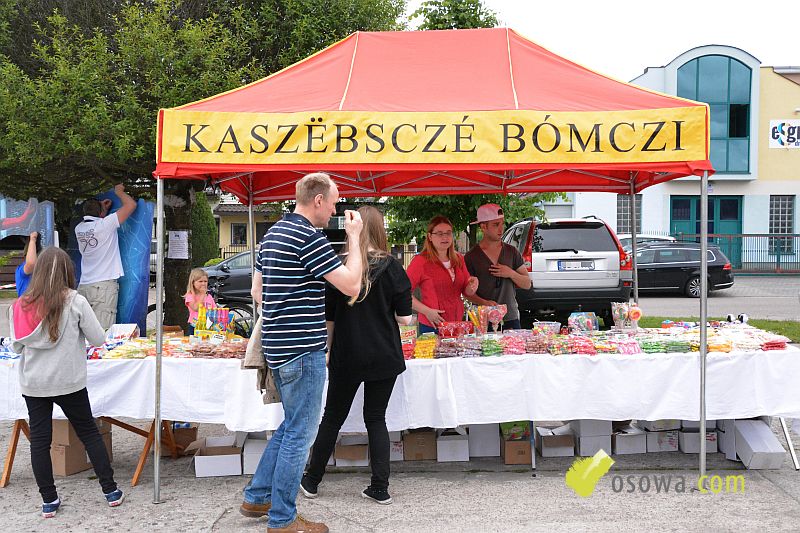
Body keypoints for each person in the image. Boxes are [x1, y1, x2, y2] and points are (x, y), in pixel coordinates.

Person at [241, 172, 364, 533]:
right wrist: (355, 238)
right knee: (300, 434)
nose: (336, 211)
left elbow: (257, 292)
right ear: (318, 200)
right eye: (334, 202)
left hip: (277, 348)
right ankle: (282, 519)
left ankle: (257, 496)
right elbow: (352, 286)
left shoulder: (273, 234)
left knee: (291, 427)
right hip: (303, 350)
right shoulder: (308, 237)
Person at [300, 206, 412, 506]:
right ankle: (380, 487)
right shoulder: (393, 267)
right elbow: (404, 318)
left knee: (332, 417)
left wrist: (327, 349)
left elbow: (329, 319)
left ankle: (311, 480)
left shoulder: (340, 266)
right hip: (384, 353)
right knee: (376, 418)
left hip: (347, 352)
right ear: (380, 230)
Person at [10, 247, 124, 519]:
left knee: (39, 442)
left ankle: (49, 500)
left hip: (35, 383)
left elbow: (16, 346)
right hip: (69, 380)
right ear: (67, 271)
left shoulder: (21, 305)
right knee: (89, 433)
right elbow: (98, 339)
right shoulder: (75, 301)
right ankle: (110, 491)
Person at [75, 183, 137, 329]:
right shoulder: (105, 225)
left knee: (84, 330)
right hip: (103, 287)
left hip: (84, 285)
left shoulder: (79, 228)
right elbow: (131, 205)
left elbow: (94, 219)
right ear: (102, 214)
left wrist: (101, 209)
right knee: (103, 331)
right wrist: (119, 192)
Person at [406, 216, 479, 334]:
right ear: (430, 236)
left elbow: (466, 291)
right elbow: (403, 292)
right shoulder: (420, 261)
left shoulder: (459, 259)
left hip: (456, 324)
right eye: (439, 234)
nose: (445, 237)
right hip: (432, 325)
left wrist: (473, 285)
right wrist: (426, 311)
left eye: (448, 233)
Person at [464, 204, 532, 330]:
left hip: (510, 318)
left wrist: (510, 273)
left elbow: (527, 284)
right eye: (496, 225)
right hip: (483, 321)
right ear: (483, 227)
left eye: (502, 224)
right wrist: (484, 303)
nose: (501, 229)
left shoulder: (512, 252)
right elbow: (466, 292)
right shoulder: (471, 257)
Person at [184, 268, 215, 335]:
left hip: (208, 325)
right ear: (193, 283)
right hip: (194, 325)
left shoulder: (209, 296)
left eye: (205, 281)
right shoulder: (190, 295)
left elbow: (215, 310)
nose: (203, 284)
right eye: (200, 281)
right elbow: (195, 308)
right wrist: (202, 294)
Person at [15, 231, 40, 297]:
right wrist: (32, 240)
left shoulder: (44, 268)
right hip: (28, 302)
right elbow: (31, 264)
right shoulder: (21, 269)